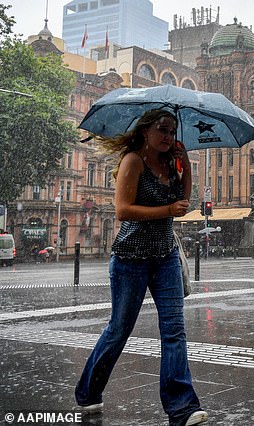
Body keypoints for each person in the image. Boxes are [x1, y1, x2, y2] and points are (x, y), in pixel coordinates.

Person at [74, 109, 208, 426]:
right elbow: (123, 210)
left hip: (165, 257)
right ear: (145, 131)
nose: (168, 136)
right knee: (119, 330)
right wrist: (165, 208)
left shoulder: (171, 164)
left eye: (173, 131)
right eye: (163, 129)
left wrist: (186, 165)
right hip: (130, 258)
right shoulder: (133, 161)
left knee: (174, 330)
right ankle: (88, 391)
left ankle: (182, 406)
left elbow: (183, 203)